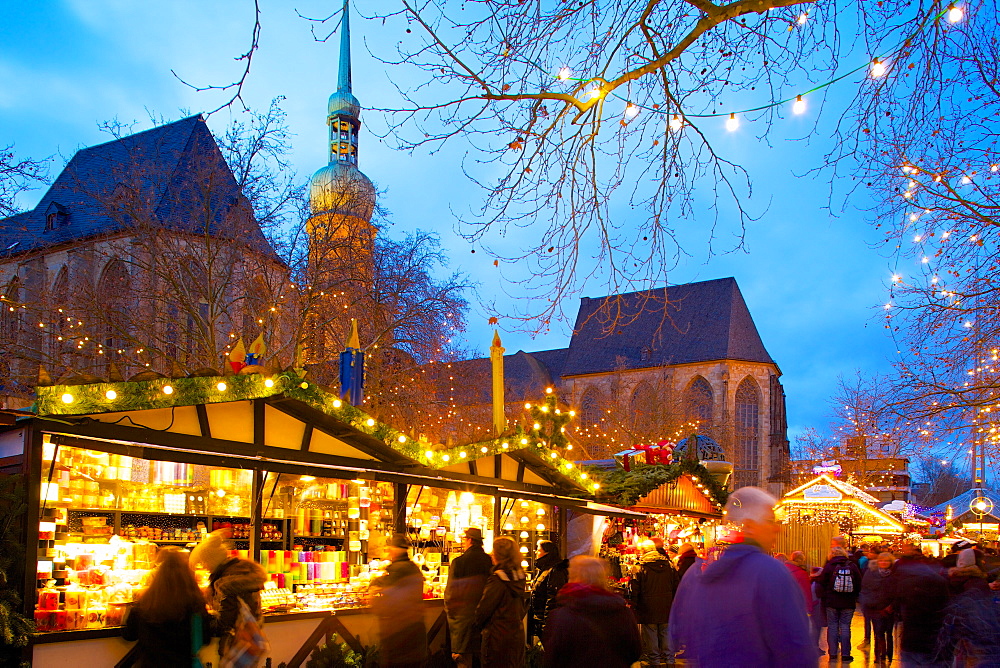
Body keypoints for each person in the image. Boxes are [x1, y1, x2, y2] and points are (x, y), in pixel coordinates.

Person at [669, 487, 816, 667]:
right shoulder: (769, 571)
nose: (777, 529)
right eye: (770, 521)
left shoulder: (698, 573)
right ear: (750, 526)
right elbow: (795, 647)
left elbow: (677, 631)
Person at [543, 556, 641, 668]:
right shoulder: (623, 612)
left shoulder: (561, 616)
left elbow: (552, 658)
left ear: (573, 577)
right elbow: (634, 651)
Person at [122, 548, 211, 667]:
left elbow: (129, 635)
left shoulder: (146, 604)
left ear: (158, 577)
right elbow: (205, 638)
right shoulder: (195, 604)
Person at [189, 528, 267, 661]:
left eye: (204, 562)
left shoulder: (227, 583)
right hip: (249, 641)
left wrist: (202, 620)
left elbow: (224, 622)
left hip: (234, 645)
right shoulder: (243, 572)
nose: (204, 567)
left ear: (213, 560)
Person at [370, 534, 428, 668]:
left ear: (395, 549)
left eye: (389, 548)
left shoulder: (397, 570)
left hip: (399, 638)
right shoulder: (413, 568)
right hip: (415, 636)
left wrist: (374, 597)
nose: (388, 551)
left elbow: (387, 603)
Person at [889, 543, 950, 667]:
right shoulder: (940, 582)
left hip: (911, 637)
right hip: (933, 636)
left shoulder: (906, 582)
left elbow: (898, 599)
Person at [472, 536, 528, 668]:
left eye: (493, 551)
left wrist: (476, 624)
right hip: (516, 634)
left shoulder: (497, 579)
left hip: (497, 637)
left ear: (498, 554)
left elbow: (484, 609)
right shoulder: (519, 577)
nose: (491, 554)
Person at [445, 527, 493, 668]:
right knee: (483, 658)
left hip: (463, 618)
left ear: (470, 540)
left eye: (464, 539)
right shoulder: (489, 561)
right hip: (485, 617)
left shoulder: (459, 562)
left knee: (464, 659)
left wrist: (451, 614)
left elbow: (450, 593)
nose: (463, 542)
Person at [630, 540, 680, 667]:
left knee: (651, 634)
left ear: (643, 551)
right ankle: (670, 661)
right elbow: (676, 585)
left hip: (648, 606)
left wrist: (634, 605)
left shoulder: (640, 566)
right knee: (666, 632)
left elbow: (635, 589)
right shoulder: (668, 565)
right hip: (666, 605)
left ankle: (655, 662)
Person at [816, 546, 863, 662]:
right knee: (845, 626)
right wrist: (854, 595)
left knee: (832, 626)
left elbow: (821, 583)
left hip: (831, 602)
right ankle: (846, 654)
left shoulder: (829, 566)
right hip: (848, 602)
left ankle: (832, 653)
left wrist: (824, 596)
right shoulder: (852, 565)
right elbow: (859, 582)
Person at [859, 552, 895, 665]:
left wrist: (892, 605)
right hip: (875, 607)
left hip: (889, 608)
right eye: (881, 560)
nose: (883, 563)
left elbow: (898, 591)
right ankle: (879, 655)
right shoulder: (871, 572)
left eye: (886, 561)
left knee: (889, 632)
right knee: (878, 633)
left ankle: (889, 654)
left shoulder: (894, 574)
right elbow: (865, 588)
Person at [528, 539, 567, 643]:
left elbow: (553, 597)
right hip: (540, 619)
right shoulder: (544, 569)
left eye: (538, 550)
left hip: (546, 621)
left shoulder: (554, 570)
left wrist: (547, 622)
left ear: (547, 553)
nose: (535, 552)